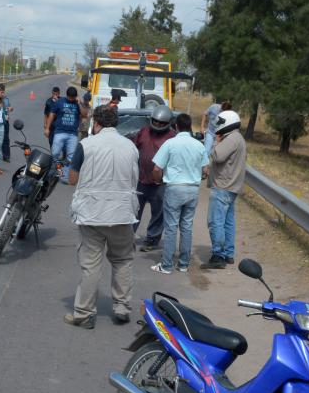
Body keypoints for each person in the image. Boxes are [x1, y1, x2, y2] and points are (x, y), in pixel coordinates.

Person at [63, 105, 139, 329]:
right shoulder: (130, 146)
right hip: (123, 214)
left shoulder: (85, 145)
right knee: (123, 260)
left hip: (91, 215)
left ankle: (84, 313)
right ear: (116, 123)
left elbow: (72, 179)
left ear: (96, 123)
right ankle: (122, 307)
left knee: (91, 265)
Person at [149, 113, 208, 274]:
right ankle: (183, 264)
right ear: (190, 127)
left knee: (171, 227)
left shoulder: (170, 144)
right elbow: (205, 170)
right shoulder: (199, 145)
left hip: (174, 188)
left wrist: (157, 181)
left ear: (175, 127)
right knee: (187, 227)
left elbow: (156, 169)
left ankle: (167, 265)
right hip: (192, 189)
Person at [202, 109, 246, 269]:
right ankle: (228, 253)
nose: (218, 126)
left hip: (223, 187)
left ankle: (218, 255)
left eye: (220, 123)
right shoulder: (237, 137)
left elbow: (217, 155)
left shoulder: (230, 139)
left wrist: (215, 139)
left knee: (215, 222)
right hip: (231, 187)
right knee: (228, 222)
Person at [132, 105, 177, 252]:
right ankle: (127, 237)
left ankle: (152, 240)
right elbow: (133, 147)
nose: (157, 124)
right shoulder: (144, 131)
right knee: (133, 210)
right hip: (141, 180)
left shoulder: (172, 136)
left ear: (168, 123)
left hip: (160, 183)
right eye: (155, 121)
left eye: (161, 123)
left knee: (158, 213)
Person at [44, 86, 85, 182]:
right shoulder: (60, 102)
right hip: (60, 132)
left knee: (71, 157)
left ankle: (64, 177)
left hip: (73, 134)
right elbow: (51, 115)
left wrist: (80, 104)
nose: (71, 100)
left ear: (76, 96)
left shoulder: (77, 103)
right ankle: (55, 171)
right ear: (67, 95)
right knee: (55, 153)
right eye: (70, 98)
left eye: (73, 98)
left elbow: (84, 115)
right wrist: (47, 128)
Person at [0, 83, 13, 163]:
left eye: (3, 91)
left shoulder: (6, 99)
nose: (2, 93)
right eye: (1, 91)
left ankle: (6, 155)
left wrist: (11, 108)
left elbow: (8, 107)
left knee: (6, 139)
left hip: (6, 121)